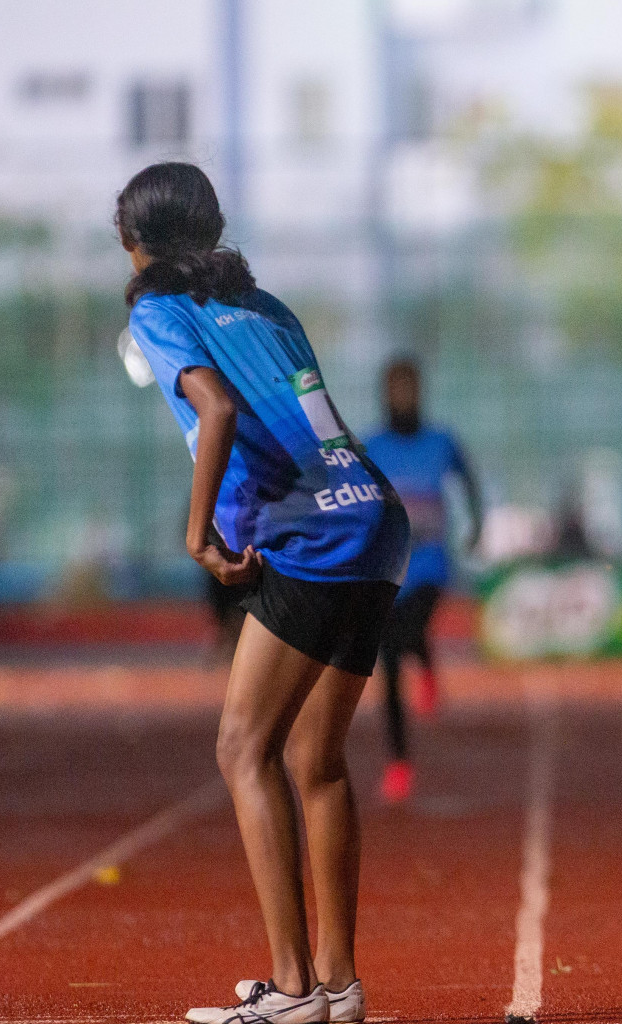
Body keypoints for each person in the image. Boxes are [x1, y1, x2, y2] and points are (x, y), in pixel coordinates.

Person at [117, 162, 410, 1024]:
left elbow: (216, 412)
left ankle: (291, 993)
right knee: (313, 760)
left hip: (318, 536)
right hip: (377, 518)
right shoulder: (269, 306)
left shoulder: (157, 309)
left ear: (137, 247)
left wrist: (198, 530)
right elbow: (316, 422)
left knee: (243, 750)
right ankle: (337, 985)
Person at [363, 358, 482, 803]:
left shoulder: (442, 442)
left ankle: (426, 663)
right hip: (387, 571)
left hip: (431, 569)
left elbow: (468, 479)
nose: (403, 399)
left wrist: (477, 524)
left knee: (409, 635)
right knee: (388, 664)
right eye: (395, 391)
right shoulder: (371, 446)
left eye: (409, 390)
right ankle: (398, 762)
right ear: (384, 395)